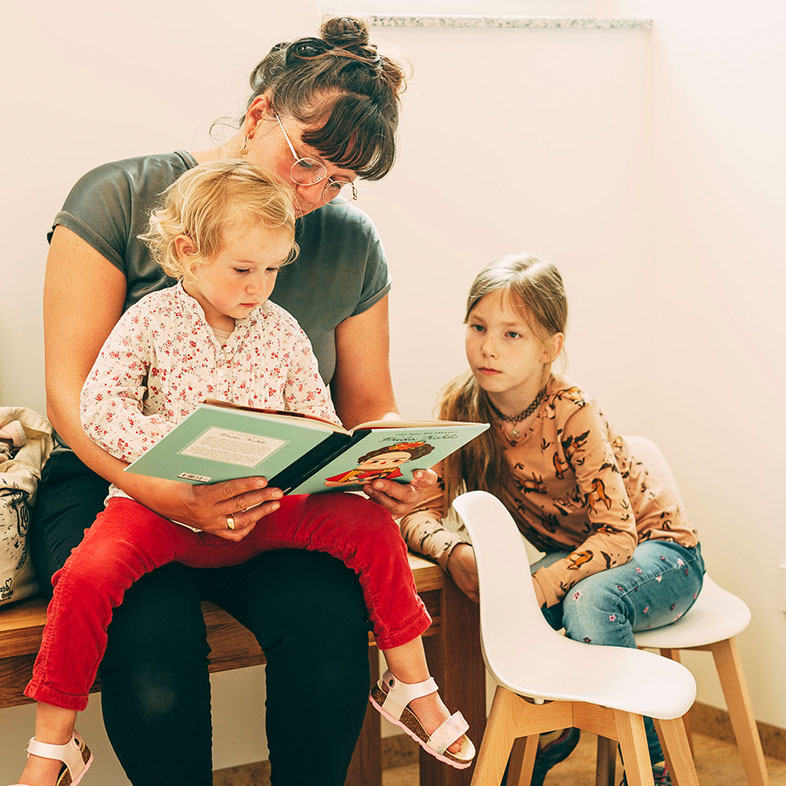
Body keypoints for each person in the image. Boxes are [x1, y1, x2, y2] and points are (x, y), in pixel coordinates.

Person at [29, 16, 439, 786]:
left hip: (266, 495)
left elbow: (365, 409)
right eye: (306, 160)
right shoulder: (118, 196)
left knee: (329, 628)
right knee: (151, 645)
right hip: (115, 482)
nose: (314, 193)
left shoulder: (349, 243)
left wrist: (395, 464)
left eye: (340, 181)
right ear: (259, 115)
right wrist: (169, 495)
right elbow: (69, 399)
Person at [399, 253, 706, 786]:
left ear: (550, 348)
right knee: (521, 624)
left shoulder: (570, 409)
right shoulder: (462, 404)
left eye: (512, 334)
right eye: (478, 327)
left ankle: (652, 766)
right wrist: (454, 550)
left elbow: (617, 532)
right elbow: (416, 513)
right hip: (580, 559)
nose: (488, 346)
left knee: (588, 604)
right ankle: (544, 735)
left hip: (661, 551)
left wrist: (536, 585)